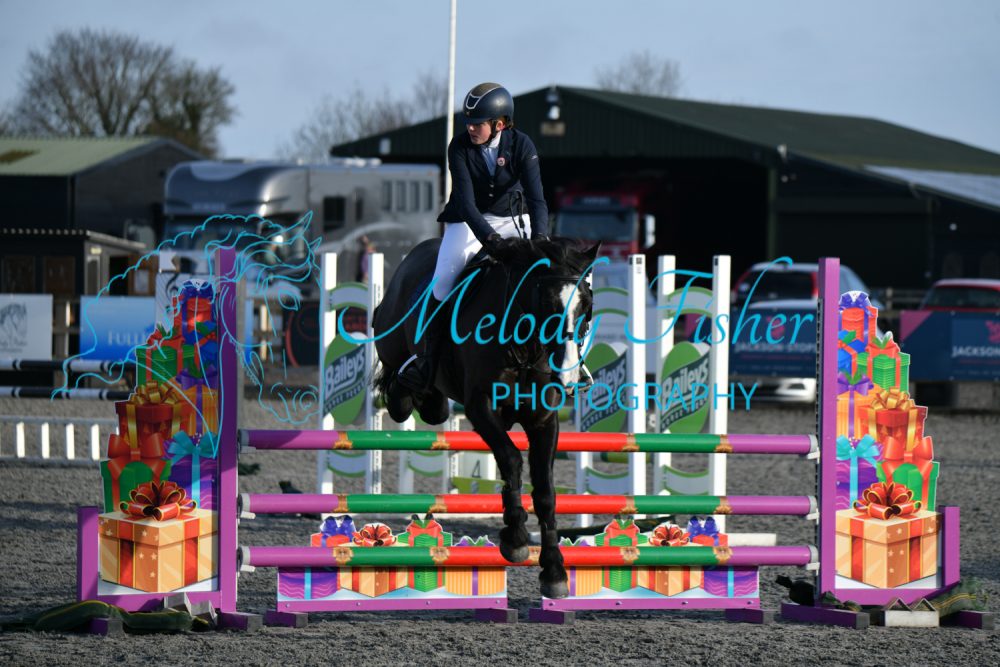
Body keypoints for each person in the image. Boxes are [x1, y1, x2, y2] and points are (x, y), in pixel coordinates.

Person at [396, 82, 551, 395]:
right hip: (468, 222)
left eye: (477, 123)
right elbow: (466, 204)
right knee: (443, 281)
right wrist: (491, 241)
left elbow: (537, 200)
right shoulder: (459, 147)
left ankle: (563, 360)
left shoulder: (522, 145)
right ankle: (427, 360)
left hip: (512, 219)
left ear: (500, 124)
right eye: (468, 122)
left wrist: (540, 241)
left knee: (545, 280)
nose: (470, 128)